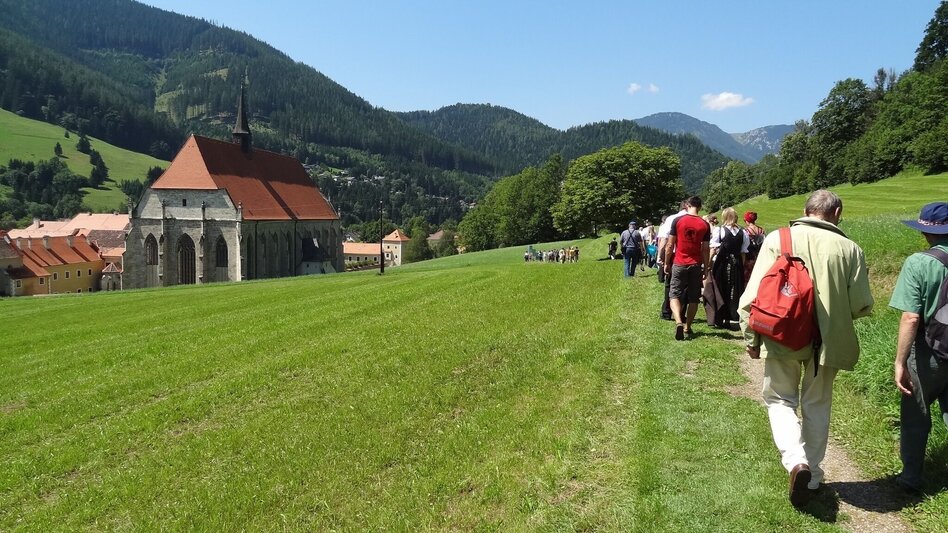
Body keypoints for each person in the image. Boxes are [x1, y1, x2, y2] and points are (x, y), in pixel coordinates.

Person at [738, 190, 874, 508]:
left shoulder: (778, 239)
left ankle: (795, 460)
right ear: (837, 212)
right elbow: (861, 305)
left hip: (782, 336)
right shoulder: (851, 249)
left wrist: (751, 338)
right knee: (817, 404)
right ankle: (811, 476)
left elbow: (753, 296)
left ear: (805, 210)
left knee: (779, 400)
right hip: (828, 341)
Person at [889, 201, 948, 493]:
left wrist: (900, 362)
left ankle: (910, 478)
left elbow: (911, 316)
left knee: (916, 415)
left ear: (926, 232)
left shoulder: (919, 262)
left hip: (928, 352)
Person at [664, 196, 710, 340]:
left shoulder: (678, 221)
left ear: (686, 205)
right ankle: (687, 326)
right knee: (694, 298)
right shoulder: (705, 224)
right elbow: (706, 249)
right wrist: (706, 267)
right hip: (695, 264)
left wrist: (666, 262)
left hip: (679, 263)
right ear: (700, 207)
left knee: (674, 294)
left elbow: (670, 246)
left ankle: (678, 320)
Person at [705, 207, 749, 330]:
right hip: (737, 264)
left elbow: (713, 249)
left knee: (720, 289)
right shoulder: (742, 232)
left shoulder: (720, 231)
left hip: (722, 264)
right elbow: (743, 253)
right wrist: (741, 265)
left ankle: (720, 316)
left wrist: (708, 264)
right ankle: (733, 315)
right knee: (735, 290)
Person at [657, 203, 688, 319]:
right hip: (689, 254)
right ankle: (681, 313)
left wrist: (661, 256)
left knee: (669, 283)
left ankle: (667, 311)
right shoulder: (696, 220)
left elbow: (665, 240)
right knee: (685, 285)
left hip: (673, 254)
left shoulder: (671, 219)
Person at [743, 211, 766, 285]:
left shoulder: (746, 231)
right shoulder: (761, 230)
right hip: (759, 257)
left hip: (749, 258)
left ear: (747, 221)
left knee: (748, 279)